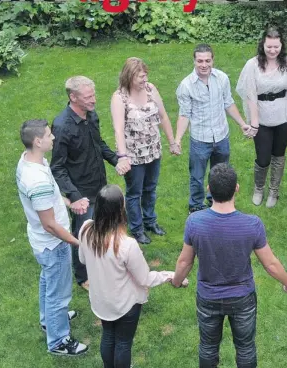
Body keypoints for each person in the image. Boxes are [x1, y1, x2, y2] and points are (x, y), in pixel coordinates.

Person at [171, 163, 287, 368]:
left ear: (209, 189)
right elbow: (270, 264)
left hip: (208, 297)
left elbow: (184, 262)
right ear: (237, 189)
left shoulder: (195, 222)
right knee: (246, 349)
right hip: (243, 299)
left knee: (208, 347)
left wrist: (176, 282)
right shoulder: (252, 224)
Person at [79, 184, 187, 368]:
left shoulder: (86, 229)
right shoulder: (127, 245)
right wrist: (169, 275)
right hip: (125, 304)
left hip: (100, 300)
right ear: (119, 211)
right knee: (122, 342)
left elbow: (82, 258)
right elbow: (144, 279)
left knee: (108, 336)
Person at [16, 119, 88, 356]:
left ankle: (49, 320)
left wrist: (69, 202)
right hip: (52, 244)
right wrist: (76, 242)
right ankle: (58, 340)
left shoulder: (29, 160)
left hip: (41, 241)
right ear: (38, 141)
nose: (53, 138)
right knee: (59, 293)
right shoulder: (37, 181)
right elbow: (49, 224)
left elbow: (49, 203)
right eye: (48, 135)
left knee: (48, 281)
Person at [51, 76, 129, 290]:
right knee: (83, 234)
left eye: (93, 95)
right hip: (81, 193)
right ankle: (83, 276)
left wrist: (116, 160)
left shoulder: (91, 116)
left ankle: (104, 263)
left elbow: (99, 144)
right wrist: (74, 196)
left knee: (105, 228)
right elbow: (57, 167)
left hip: (100, 185)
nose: (94, 100)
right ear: (73, 97)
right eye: (88, 97)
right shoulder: (62, 126)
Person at [236, 26, 287, 208]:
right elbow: (250, 96)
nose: (272, 50)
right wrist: (254, 123)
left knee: (279, 154)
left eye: (276, 47)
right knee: (263, 157)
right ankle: (259, 188)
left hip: (284, 117)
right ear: (263, 45)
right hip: (261, 116)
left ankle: (273, 191)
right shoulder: (252, 65)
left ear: (281, 45)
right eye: (269, 46)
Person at [175, 44, 252, 214]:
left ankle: (215, 201)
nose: (204, 65)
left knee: (220, 175)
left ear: (213, 60)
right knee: (197, 176)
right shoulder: (186, 85)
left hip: (221, 136)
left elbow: (228, 103)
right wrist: (178, 139)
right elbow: (184, 114)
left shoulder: (222, 78)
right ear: (194, 61)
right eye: (200, 61)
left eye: (207, 61)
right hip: (200, 140)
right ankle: (195, 205)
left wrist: (242, 123)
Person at [111, 57, 179, 245]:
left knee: (150, 188)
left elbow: (163, 116)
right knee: (134, 193)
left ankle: (150, 221)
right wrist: (123, 156)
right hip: (134, 155)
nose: (144, 79)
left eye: (145, 75)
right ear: (129, 76)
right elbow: (118, 129)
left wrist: (172, 142)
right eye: (140, 76)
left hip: (153, 151)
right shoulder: (119, 97)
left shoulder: (151, 89)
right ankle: (137, 228)